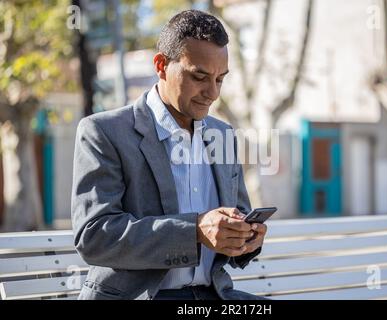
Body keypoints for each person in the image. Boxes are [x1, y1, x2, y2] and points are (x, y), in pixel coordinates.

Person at [71, 9, 268, 300]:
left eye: (220, 80)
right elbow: (95, 236)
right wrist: (195, 231)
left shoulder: (223, 135)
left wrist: (245, 239)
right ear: (161, 65)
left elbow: (233, 220)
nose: (212, 93)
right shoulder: (103, 132)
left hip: (213, 294)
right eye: (199, 76)